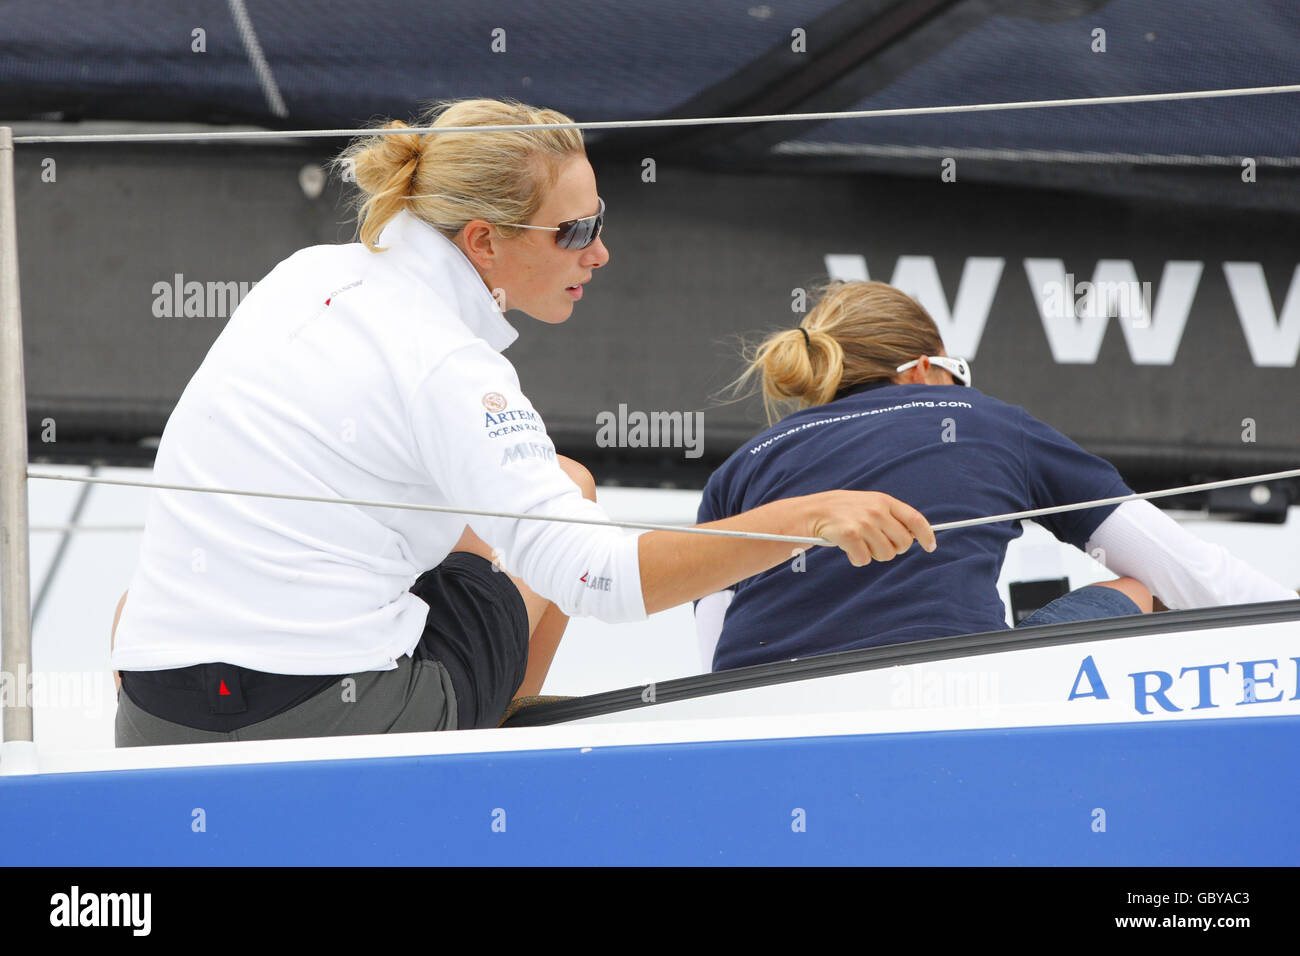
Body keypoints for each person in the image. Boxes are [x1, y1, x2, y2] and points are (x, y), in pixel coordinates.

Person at [109, 100, 937, 746]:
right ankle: (493, 750)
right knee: (568, 490)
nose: (601, 253)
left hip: (151, 714)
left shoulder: (302, 276)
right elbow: (596, 579)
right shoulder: (451, 363)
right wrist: (807, 518)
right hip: (329, 720)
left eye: (601, 221)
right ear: (483, 241)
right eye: (576, 231)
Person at [694, 280, 1296, 672]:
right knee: (1152, 590)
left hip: (763, 708)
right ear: (925, 369)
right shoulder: (984, 419)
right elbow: (1183, 567)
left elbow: (712, 658)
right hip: (956, 692)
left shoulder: (737, 470)